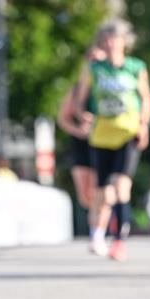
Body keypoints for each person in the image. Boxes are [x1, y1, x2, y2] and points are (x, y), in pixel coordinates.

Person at [74, 20, 150, 261]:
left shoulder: (135, 67)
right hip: (101, 135)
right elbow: (80, 98)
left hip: (127, 132)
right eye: (106, 39)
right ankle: (97, 235)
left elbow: (146, 98)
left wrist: (144, 124)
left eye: (114, 38)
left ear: (123, 42)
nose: (109, 43)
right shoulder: (93, 69)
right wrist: (81, 114)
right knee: (103, 191)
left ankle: (119, 240)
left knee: (121, 186)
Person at [56, 46, 105, 220]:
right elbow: (63, 118)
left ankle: (99, 227)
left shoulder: (110, 88)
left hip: (104, 140)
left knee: (99, 188)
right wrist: (77, 130)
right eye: (92, 59)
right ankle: (97, 221)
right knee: (85, 195)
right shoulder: (77, 89)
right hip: (82, 141)